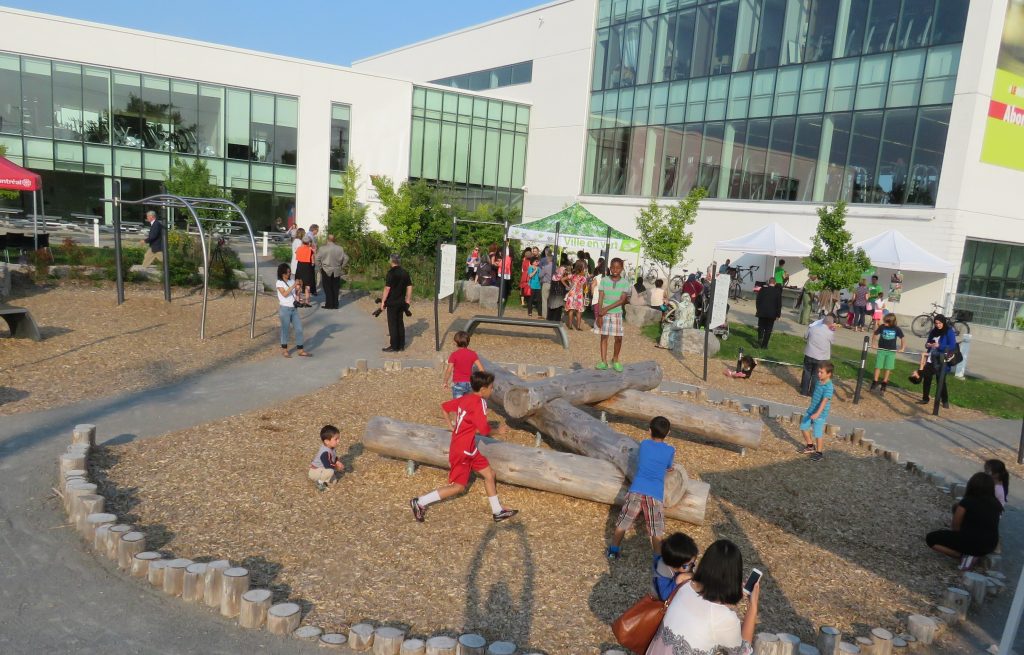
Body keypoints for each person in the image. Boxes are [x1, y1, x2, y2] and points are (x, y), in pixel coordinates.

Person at [409, 371, 518, 523]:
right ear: (483, 389)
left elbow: (444, 407)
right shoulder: (480, 403)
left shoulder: (466, 398)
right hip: (463, 451)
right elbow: (484, 430)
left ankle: (497, 511)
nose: (492, 390)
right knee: (458, 487)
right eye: (491, 387)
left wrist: (452, 427)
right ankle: (420, 502)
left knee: (489, 474)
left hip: (469, 447)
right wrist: (498, 431)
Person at [646, 539, 760, 655]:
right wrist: (753, 607)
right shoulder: (725, 618)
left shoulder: (684, 586)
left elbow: (706, 604)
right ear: (735, 576)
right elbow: (743, 652)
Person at [607, 416, 675, 558]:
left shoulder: (644, 444)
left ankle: (613, 551)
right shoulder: (670, 450)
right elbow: (668, 466)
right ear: (668, 433)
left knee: (624, 522)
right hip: (654, 494)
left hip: (636, 489)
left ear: (649, 430)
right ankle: (657, 559)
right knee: (656, 529)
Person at [926, 472, 1002, 570]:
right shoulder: (996, 504)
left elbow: (955, 527)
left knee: (931, 539)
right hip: (990, 544)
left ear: (972, 485)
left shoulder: (967, 502)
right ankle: (971, 555)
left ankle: (961, 555)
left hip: (970, 543)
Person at [595, 258, 631, 371]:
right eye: (613, 267)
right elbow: (600, 297)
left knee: (618, 338)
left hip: (616, 313)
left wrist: (606, 309)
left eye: (618, 268)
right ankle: (603, 361)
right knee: (604, 337)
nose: (615, 270)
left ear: (622, 269)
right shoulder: (604, 280)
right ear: (610, 268)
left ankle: (615, 359)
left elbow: (622, 300)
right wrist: (599, 314)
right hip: (604, 314)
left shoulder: (625, 283)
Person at [917, 315, 957, 408]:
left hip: (942, 359)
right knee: (927, 378)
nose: (938, 325)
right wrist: (928, 345)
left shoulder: (949, 331)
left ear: (943, 322)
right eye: (936, 323)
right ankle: (925, 398)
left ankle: (945, 400)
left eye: (940, 323)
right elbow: (928, 343)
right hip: (931, 358)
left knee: (941, 380)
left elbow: (952, 346)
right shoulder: (933, 331)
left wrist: (939, 346)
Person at [799, 362, 834, 462]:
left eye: (821, 372)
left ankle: (819, 453)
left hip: (820, 414)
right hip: (811, 410)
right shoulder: (819, 381)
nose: (819, 374)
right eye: (818, 372)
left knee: (817, 433)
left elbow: (824, 401)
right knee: (803, 426)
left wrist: (817, 414)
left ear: (829, 374)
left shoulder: (829, 387)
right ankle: (810, 446)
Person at [276, 263, 310, 358]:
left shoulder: (291, 281)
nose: (289, 274)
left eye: (290, 272)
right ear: (282, 273)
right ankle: (285, 350)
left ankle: (300, 349)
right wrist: (294, 285)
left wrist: (299, 287)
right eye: (287, 272)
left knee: (299, 329)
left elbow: (295, 294)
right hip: (285, 309)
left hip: (294, 309)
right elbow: (285, 294)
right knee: (285, 330)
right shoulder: (279, 283)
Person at [653, 532, 699, 602]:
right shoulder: (662, 575)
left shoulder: (674, 561)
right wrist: (678, 579)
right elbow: (664, 597)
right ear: (675, 566)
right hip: (657, 596)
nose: (692, 566)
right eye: (689, 565)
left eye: (693, 563)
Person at [380, 254, 413, 353]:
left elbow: (387, 288)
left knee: (393, 324)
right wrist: (408, 299)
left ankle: (394, 346)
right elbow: (409, 286)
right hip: (401, 302)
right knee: (400, 322)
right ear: (399, 261)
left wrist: (383, 301)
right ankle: (401, 345)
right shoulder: (405, 272)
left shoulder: (391, 273)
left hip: (392, 302)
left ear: (391, 261)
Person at [801, 315, 836, 396]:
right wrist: (832, 330)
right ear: (831, 323)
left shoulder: (813, 328)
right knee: (816, 375)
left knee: (807, 372)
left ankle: (804, 391)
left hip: (809, 353)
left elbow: (805, 336)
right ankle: (812, 392)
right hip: (821, 357)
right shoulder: (830, 333)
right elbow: (833, 341)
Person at [870, 314, 905, 394]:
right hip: (881, 350)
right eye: (884, 321)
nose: (884, 323)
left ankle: (884, 383)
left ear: (891, 322)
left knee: (888, 368)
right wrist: (873, 344)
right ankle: (875, 382)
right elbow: (875, 334)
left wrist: (902, 348)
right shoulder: (882, 327)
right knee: (878, 366)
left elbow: (903, 338)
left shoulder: (896, 329)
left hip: (891, 351)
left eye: (886, 322)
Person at [443, 331, 483, 398]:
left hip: (458, 383)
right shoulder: (473, 354)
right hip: (470, 383)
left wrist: (445, 382)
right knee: (467, 402)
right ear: (468, 342)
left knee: (458, 402)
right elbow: (481, 369)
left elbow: (449, 370)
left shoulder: (454, 355)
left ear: (456, 342)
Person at [315, 234, 348, 310]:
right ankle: (335, 304)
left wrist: (320, 267)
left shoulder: (322, 248)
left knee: (327, 287)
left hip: (326, 269)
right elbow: (346, 258)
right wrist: (341, 266)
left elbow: (317, 259)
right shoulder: (340, 248)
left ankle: (329, 304)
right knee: (335, 287)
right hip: (337, 269)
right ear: (334, 240)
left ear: (327, 240)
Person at [309, 425, 345, 492]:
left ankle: (324, 480)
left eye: (338, 439)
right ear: (327, 441)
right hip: (315, 471)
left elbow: (333, 457)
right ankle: (320, 483)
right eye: (336, 439)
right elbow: (328, 465)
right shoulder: (325, 452)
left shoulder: (331, 447)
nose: (338, 441)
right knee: (330, 471)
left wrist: (337, 461)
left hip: (321, 470)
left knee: (334, 482)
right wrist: (337, 466)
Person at [755, 276, 783, 348]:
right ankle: (764, 345)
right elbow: (779, 305)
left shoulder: (762, 290)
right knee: (768, 329)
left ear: (768, 282)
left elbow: (758, 301)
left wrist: (758, 309)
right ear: (775, 283)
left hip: (762, 312)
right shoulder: (778, 292)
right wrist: (778, 315)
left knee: (761, 327)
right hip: (772, 314)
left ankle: (760, 339)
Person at [294, 236, 317, 307]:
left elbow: (296, 254)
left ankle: (297, 300)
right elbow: (313, 261)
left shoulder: (299, 248)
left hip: (299, 266)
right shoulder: (310, 250)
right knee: (307, 285)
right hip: (307, 268)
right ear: (309, 242)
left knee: (298, 284)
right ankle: (307, 302)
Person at [566, 260, 588, 331]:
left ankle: (570, 326)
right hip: (579, 295)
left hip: (572, 294)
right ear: (582, 269)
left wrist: (567, 286)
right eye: (584, 269)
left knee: (571, 310)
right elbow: (584, 287)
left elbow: (562, 279)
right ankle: (578, 327)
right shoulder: (583, 278)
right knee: (579, 311)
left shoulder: (572, 276)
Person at [539, 247, 554, 314]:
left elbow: (540, 275)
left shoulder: (545, 267)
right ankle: (550, 314)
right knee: (551, 300)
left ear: (548, 259)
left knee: (544, 299)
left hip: (546, 284)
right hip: (553, 284)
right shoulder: (556, 267)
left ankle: (544, 314)